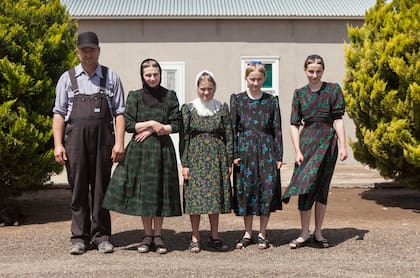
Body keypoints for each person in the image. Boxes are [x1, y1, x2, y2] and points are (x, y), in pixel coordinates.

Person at [53, 31, 126, 255]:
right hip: (74, 141)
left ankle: (102, 236)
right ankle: (79, 237)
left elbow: (120, 113)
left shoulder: (111, 77)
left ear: (98, 51)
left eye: (91, 49)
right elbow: (58, 113)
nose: (88, 54)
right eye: (84, 50)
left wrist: (119, 143)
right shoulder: (67, 78)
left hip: (104, 140)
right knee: (78, 189)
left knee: (101, 189)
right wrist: (58, 144)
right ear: (77, 52)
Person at [103, 58, 182, 255]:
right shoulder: (135, 96)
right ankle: (147, 235)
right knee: (145, 193)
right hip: (140, 152)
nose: (152, 78)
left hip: (162, 151)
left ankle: (158, 235)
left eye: (155, 74)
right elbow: (129, 124)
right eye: (148, 75)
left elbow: (177, 124)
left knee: (159, 193)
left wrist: (157, 129)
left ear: (160, 75)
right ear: (142, 76)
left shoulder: (170, 96)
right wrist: (152, 123)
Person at [282, 54, 348, 249]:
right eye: (311, 71)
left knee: (321, 187)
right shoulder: (299, 93)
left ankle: (318, 232)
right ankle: (304, 233)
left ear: (323, 71)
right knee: (304, 186)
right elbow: (294, 124)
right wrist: (297, 150)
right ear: (305, 71)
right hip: (307, 143)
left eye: (318, 71)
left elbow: (338, 119)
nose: (314, 75)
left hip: (328, 143)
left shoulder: (333, 90)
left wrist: (343, 145)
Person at [230, 61, 283, 250]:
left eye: (259, 79)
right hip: (245, 150)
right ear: (246, 78)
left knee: (266, 191)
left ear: (264, 79)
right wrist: (234, 154)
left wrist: (278, 156)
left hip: (267, 149)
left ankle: (262, 233)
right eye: (252, 79)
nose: (255, 83)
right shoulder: (237, 99)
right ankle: (247, 232)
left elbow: (277, 130)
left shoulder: (271, 101)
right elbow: (232, 129)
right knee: (247, 190)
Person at [180, 70, 233, 253]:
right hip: (195, 157)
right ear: (197, 88)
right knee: (195, 199)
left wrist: (228, 162)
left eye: (209, 89)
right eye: (202, 89)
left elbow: (228, 135)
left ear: (214, 88)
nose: (205, 93)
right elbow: (184, 137)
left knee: (214, 198)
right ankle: (195, 236)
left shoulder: (222, 107)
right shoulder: (188, 108)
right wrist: (184, 163)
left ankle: (215, 235)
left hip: (216, 157)